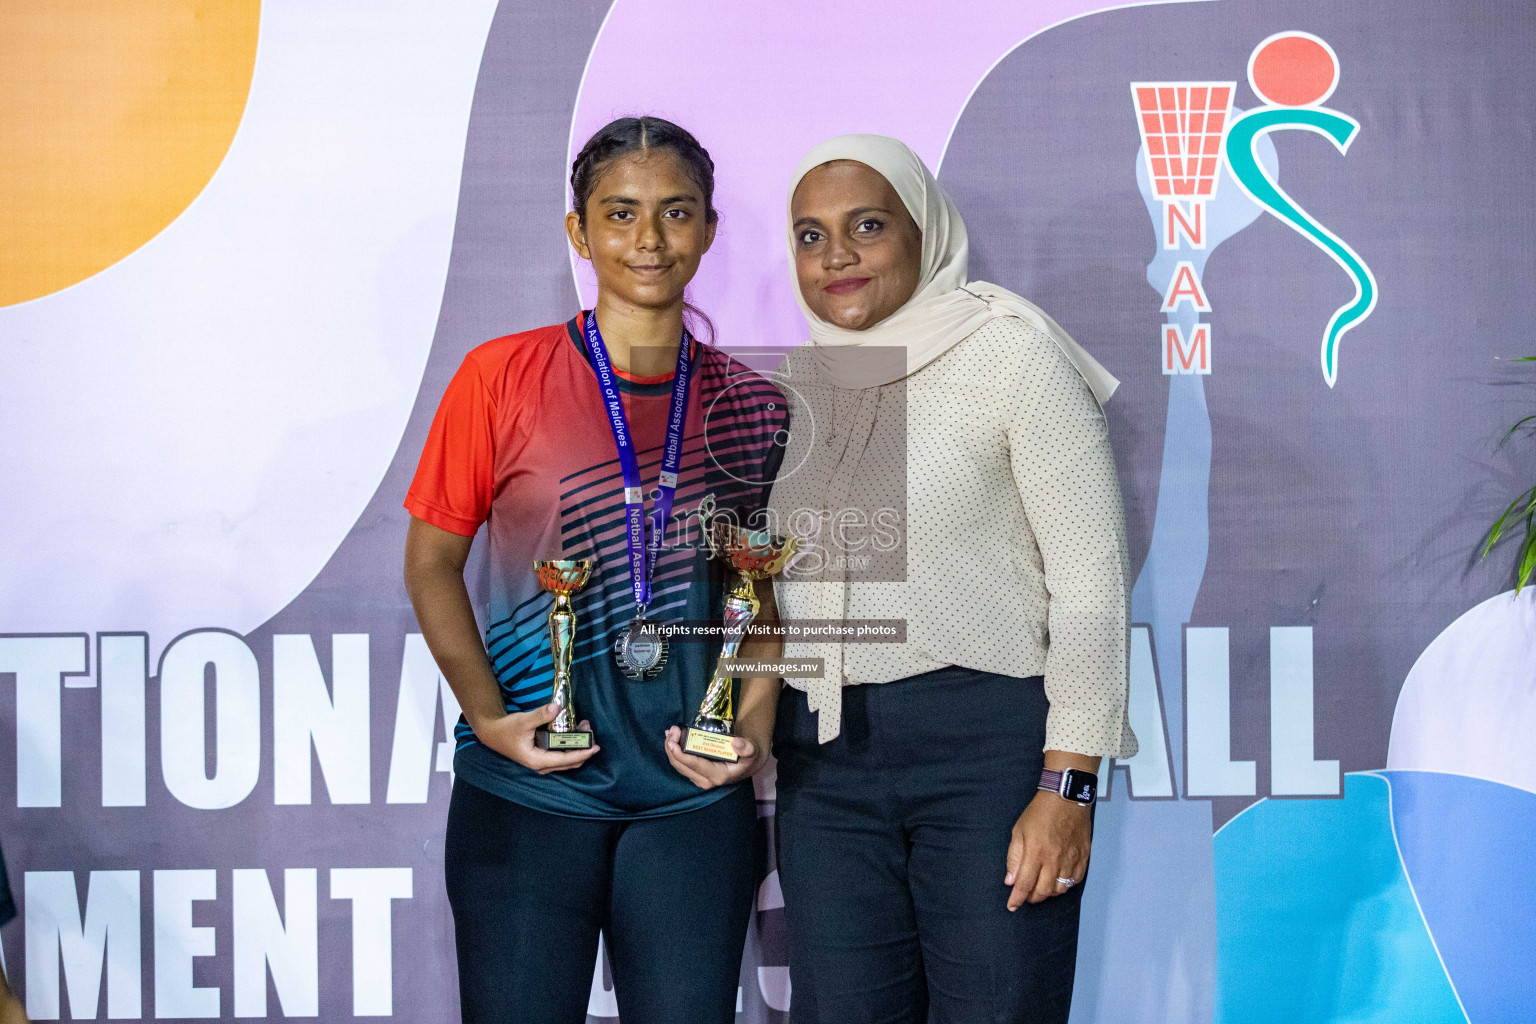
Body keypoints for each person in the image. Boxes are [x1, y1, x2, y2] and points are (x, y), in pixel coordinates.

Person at [404, 116, 788, 1024]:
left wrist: (756, 731)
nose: (649, 239)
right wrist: (489, 720)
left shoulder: (754, 404)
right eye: (620, 213)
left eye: (675, 212)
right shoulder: (500, 377)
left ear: (709, 228)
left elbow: (757, 598)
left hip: (689, 807)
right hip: (529, 796)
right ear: (579, 231)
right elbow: (430, 564)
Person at [766, 135, 1137, 1024]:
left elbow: (1089, 583)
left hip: (988, 759)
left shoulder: (1009, 353)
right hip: (826, 772)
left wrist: (1068, 787)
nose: (837, 257)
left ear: (922, 233)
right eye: (810, 236)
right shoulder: (798, 382)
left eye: (866, 226)